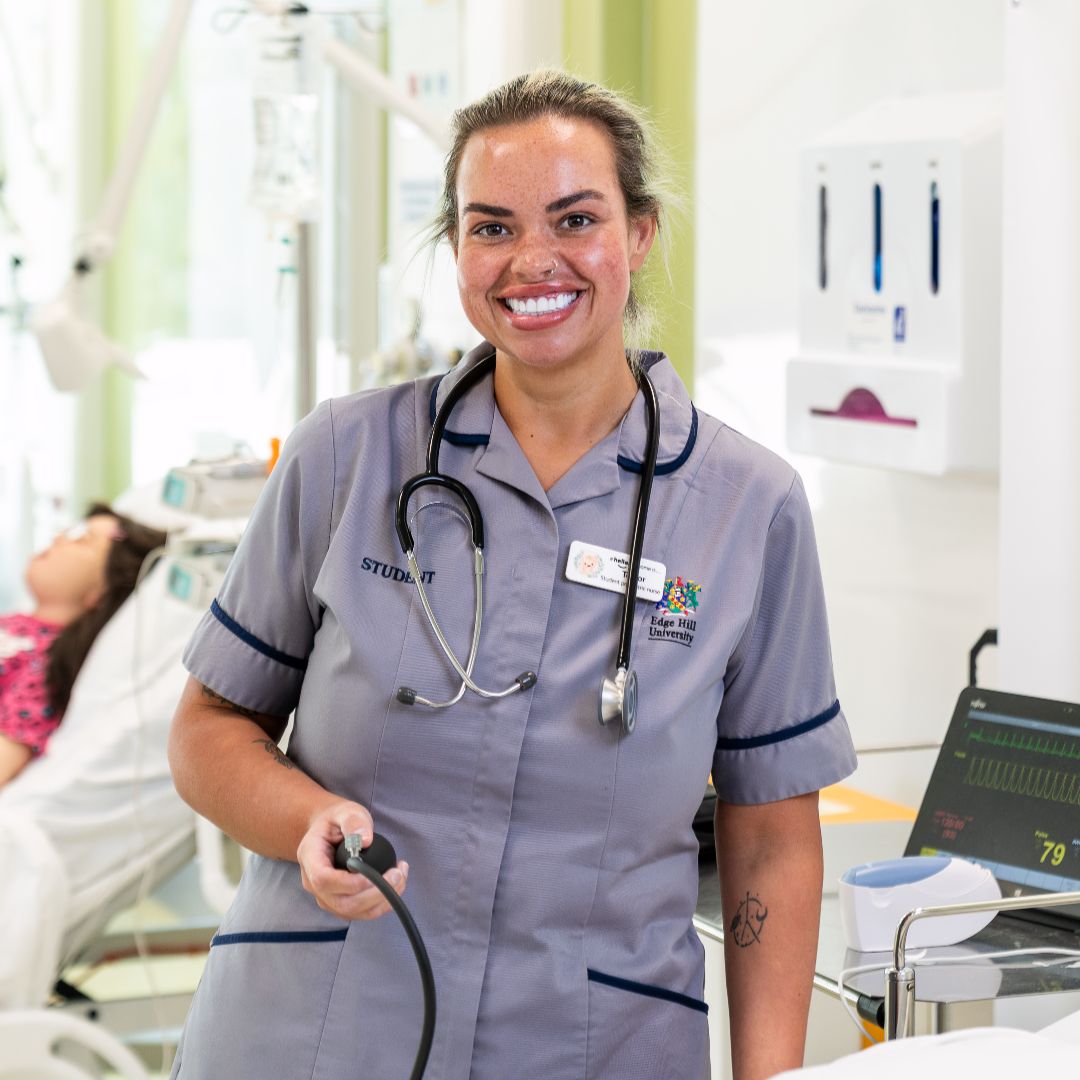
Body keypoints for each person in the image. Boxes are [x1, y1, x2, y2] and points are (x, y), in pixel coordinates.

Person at [167, 69, 857, 1080]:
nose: (532, 260)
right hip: (311, 1032)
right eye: (490, 228)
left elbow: (772, 838)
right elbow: (206, 733)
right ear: (456, 250)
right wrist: (302, 817)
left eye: (575, 219)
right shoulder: (346, 457)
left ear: (641, 233)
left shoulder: (747, 508)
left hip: (590, 1045)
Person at [0, 504, 167, 787]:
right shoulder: (15, 624)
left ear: (101, 592)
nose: (58, 538)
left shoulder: (46, 665)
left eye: (81, 539)